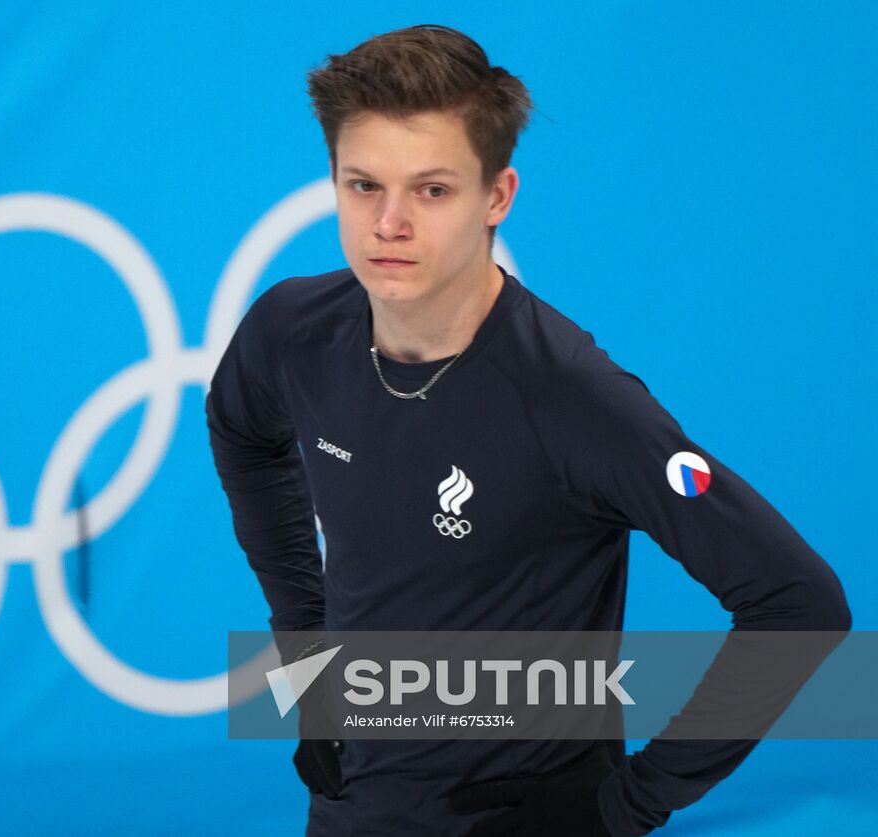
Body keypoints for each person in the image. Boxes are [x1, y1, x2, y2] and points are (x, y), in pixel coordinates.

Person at [205, 24, 850, 837]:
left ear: (497, 196)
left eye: (432, 190)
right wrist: (307, 660)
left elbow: (800, 602)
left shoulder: (573, 398)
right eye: (364, 185)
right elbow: (240, 432)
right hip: (354, 809)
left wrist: (623, 805)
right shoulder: (293, 331)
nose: (389, 223)